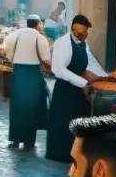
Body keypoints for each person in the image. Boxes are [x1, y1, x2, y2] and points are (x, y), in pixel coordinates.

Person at [46, 15, 107, 163]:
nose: (84, 36)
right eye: (81, 34)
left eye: (86, 33)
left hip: (79, 90)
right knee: (64, 123)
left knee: (79, 122)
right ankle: (62, 155)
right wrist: (83, 83)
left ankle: (77, 153)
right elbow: (58, 69)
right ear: (73, 30)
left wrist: (102, 78)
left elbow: (84, 67)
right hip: (65, 91)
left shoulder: (82, 44)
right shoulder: (62, 44)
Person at [4, 15, 51, 150]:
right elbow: (46, 60)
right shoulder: (40, 38)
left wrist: (13, 57)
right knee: (31, 108)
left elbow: (5, 50)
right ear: (37, 24)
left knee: (17, 107)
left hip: (18, 73)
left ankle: (15, 139)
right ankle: (29, 141)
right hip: (32, 75)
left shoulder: (16, 34)